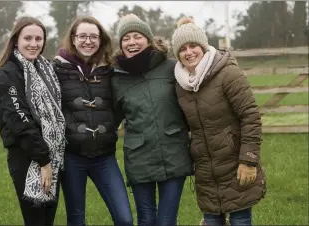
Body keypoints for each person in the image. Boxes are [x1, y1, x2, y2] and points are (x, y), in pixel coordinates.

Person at [171, 17, 267, 226]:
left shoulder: (228, 73)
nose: (189, 52)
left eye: (193, 45)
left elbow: (250, 116)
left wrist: (249, 161)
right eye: (183, 48)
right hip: (205, 171)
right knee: (212, 220)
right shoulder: (181, 84)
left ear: (203, 47)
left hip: (236, 162)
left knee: (240, 219)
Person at [111, 14, 194, 226]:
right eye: (126, 38)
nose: (132, 42)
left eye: (137, 36)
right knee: (146, 219)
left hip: (174, 153)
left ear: (149, 40)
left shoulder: (172, 68)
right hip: (139, 158)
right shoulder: (117, 78)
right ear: (121, 45)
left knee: (166, 221)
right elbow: (110, 117)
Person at [51, 16, 133, 226]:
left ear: (101, 39)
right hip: (71, 157)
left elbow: (121, 101)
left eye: (94, 36)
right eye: (83, 36)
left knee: (124, 218)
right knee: (76, 220)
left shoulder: (110, 69)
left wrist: (109, 126)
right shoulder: (57, 68)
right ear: (73, 38)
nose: (88, 41)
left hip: (104, 157)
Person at [0, 16, 66, 226]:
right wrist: (44, 162)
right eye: (28, 38)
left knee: (47, 219)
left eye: (38, 39)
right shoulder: (6, 76)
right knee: (36, 221)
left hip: (53, 156)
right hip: (27, 157)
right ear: (16, 40)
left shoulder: (45, 70)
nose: (34, 44)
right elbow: (19, 122)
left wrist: (49, 160)